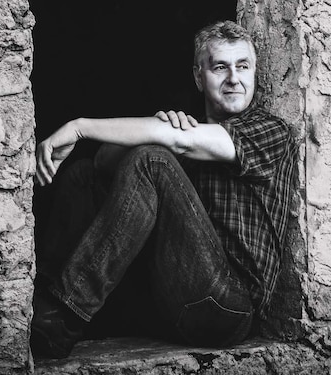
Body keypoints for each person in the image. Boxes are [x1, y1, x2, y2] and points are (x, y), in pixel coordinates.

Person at [31, 20, 297, 359]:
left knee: (152, 160)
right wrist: (155, 129)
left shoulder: (271, 132)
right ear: (199, 77)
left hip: (227, 308)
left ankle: (66, 315)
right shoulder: (187, 133)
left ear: (254, 73)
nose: (233, 78)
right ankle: (43, 304)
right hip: (169, 295)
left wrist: (80, 128)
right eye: (220, 67)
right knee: (84, 174)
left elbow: (178, 144)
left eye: (242, 66)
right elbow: (102, 165)